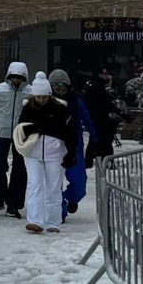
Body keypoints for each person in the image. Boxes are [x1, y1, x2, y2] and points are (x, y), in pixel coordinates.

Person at [15, 73, 76, 235]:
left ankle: (52, 221)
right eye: (38, 97)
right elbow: (21, 127)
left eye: (44, 97)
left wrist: (71, 152)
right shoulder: (28, 108)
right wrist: (36, 129)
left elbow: (70, 132)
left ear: (49, 95)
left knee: (53, 187)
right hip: (33, 152)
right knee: (34, 185)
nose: (41, 100)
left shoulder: (60, 109)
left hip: (55, 153)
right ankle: (34, 220)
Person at [0, 61, 29, 218]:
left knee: (20, 169)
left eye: (19, 77)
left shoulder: (29, 92)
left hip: (21, 134)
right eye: (13, 77)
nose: (16, 80)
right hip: (1, 133)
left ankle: (14, 204)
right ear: (9, 76)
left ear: (24, 77)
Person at [48, 70, 94, 216]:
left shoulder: (76, 100)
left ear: (67, 84)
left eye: (60, 83)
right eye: (54, 84)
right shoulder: (46, 100)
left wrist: (96, 138)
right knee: (55, 181)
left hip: (73, 145)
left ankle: (71, 198)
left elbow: (88, 119)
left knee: (79, 182)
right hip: (52, 145)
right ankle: (59, 212)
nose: (57, 87)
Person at [83, 69, 122, 161]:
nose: (106, 75)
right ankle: (92, 160)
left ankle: (105, 160)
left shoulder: (103, 88)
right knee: (97, 140)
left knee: (106, 140)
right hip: (98, 118)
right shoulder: (94, 87)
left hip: (105, 119)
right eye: (103, 73)